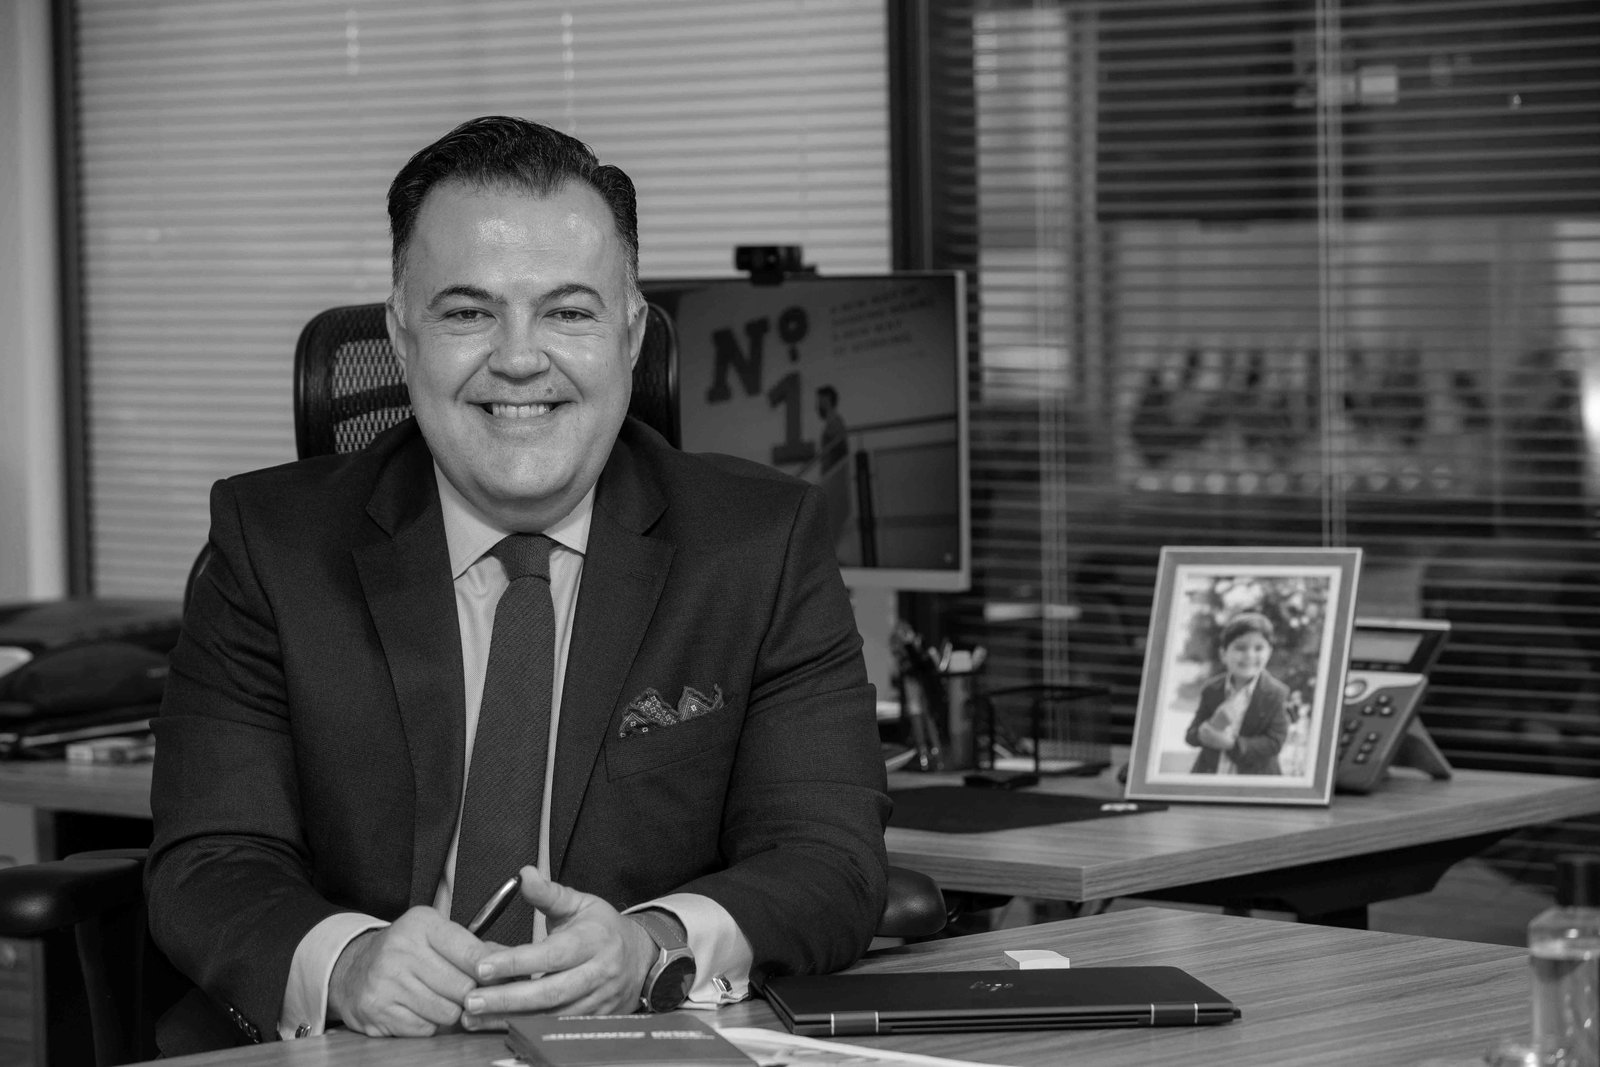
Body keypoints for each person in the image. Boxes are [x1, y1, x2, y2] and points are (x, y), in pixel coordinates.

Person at [145, 116, 889, 1053]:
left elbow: (829, 859)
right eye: (468, 313)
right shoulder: (272, 547)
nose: (520, 358)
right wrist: (351, 960)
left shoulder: (759, 547)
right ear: (402, 336)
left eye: (568, 312)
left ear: (630, 333)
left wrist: (651, 946)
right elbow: (209, 860)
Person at [1183, 611, 1290, 775]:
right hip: (1211, 775)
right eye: (1240, 648)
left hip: (1255, 779)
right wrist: (1203, 732)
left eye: (1258, 648)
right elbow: (1191, 735)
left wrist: (1231, 744)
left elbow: (1275, 742)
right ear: (1223, 654)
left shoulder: (1276, 694)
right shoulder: (1211, 689)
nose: (1249, 655)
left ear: (1269, 653)